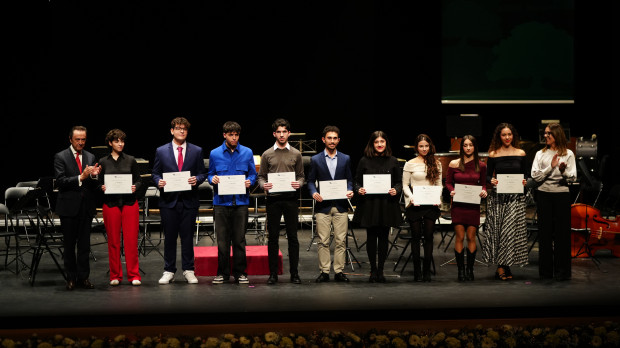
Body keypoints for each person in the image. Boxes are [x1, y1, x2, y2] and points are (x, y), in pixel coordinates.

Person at [152, 117, 207, 284]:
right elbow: (155, 173)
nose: (181, 131)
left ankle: (188, 270)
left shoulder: (196, 150)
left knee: (188, 237)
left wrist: (196, 179)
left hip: (189, 200)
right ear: (172, 130)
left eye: (184, 129)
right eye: (178, 128)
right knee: (169, 237)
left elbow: (203, 173)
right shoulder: (161, 151)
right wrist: (158, 182)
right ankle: (169, 270)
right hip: (169, 201)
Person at [207, 121, 257, 284]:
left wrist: (250, 181)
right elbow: (210, 175)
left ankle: (240, 273)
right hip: (221, 203)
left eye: (236, 135)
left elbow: (253, 174)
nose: (234, 138)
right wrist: (212, 179)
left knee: (239, 240)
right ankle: (222, 273)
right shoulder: (215, 153)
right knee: (222, 241)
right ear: (224, 135)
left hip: (241, 203)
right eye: (231, 135)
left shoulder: (247, 152)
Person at [257, 118, 305, 285]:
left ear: (289, 133)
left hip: (291, 199)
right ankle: (273, 274)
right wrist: (265, 185)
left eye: (285, 131)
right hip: (273, 200)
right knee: (273, 238)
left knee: (293, 237)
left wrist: (299, 183)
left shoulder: (296, 154)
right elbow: (261, 177)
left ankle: (294, 274)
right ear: (274, 134)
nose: (282, 134)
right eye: (279, 132)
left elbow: (301, 176)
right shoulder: (267, 154)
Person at [53, 125, 101, 290]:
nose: (81, 143)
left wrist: (95, 177)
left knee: (84, 246)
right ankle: (71, 278)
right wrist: (81, 177)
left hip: (86, 207)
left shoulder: (90, 155)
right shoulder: (61, 157)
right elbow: (60, 181)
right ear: (70, 139)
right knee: (69, 246)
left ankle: (83, 277)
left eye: (83, 139)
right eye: (77, 139)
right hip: (68, 207)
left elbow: (93, 185)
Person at [352, 131, 402, 283]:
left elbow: (399, 182)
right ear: (372, 144)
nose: (380, 144)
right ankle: (373, 270)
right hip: (370, 205)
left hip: (387, 204)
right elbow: (356, 182)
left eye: (382, 141)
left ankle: (381, 270)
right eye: (376, 142)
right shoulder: (364, 161)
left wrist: (396, 190)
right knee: (372, 238)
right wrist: (358, 189)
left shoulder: (393, 161)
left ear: (386, 143)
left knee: (384, 238)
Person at [481, 123, 529, 281]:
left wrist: (525, 182)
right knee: (499, 232)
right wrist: (492, 180)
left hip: (515, 198)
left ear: (513, 135)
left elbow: (526, 176)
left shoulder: (521, 153)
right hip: (498, 198)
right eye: (504, 135)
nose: (507, 137)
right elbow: (487, 176)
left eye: (509, 134)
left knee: (509, 232)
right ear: (499, 137)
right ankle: (502, 266)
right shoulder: (494, 154)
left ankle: (503, 266)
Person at [307, 126, 354, 283]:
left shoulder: (345, 158)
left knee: (341, 241)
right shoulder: (315, 159)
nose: (332, 141)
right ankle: (325, 271)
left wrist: (349, 190)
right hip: (323, 206)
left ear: (338, 140)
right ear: (323, 139)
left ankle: (339, 271)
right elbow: (310, 181)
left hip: (341, 205)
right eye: (329, 138)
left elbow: (350, 180)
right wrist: (314, 192)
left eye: (335, 138)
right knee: (323, 240)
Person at [531, 123, 576, 281]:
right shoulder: (540, 154)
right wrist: (550, 168)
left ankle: (562, 272)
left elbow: (573, 177)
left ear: (556, 135)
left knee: (562, 235)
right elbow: (535, 176)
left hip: (561, 196)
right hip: (544, 195)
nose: (546, 136)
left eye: (549, 133)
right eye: (545, 133)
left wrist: (563, 171)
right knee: (545, 234)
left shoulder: (568, 153)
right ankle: (546, 272)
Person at [98, 129, 143, 286]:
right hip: (110, 204)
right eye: (117, 141)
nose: (120, 144)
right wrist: (101, 187)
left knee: (130, 240)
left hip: (130, 203)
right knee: (113, 241)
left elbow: (139, 181)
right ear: (110, 143)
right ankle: (115, 275)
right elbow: (98, 182)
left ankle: (134, 275)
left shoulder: (130, 160)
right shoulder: (103, 161)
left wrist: (134, 187)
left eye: (122, 141)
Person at [445, 135, 487, 281]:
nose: (468, 148)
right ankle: (460, 271)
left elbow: (483, 184)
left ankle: (470, 269)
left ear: (475, 147)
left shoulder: (481, 165)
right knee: (460, 237)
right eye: (465, 145)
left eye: (471, 145)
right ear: (461, 147)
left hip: (473, 205)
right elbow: (448, 182)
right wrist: (451, 190)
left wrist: (484, 191)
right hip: (458, 205)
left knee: (471, 237)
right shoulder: (454, 164)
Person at [402, 134, 443, 282]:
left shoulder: (436, 163)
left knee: (429, 236)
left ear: (430, 146)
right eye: (421, 146)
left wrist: (437, 197)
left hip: (430, 204)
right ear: (417, 147)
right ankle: (417, 271)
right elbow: (405, 185)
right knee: (415, 236)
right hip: (415, 204)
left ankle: (426, 271)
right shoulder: (410, 163)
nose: (424, 149)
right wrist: (411, 197)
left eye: (426, 146)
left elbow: (439, 184)